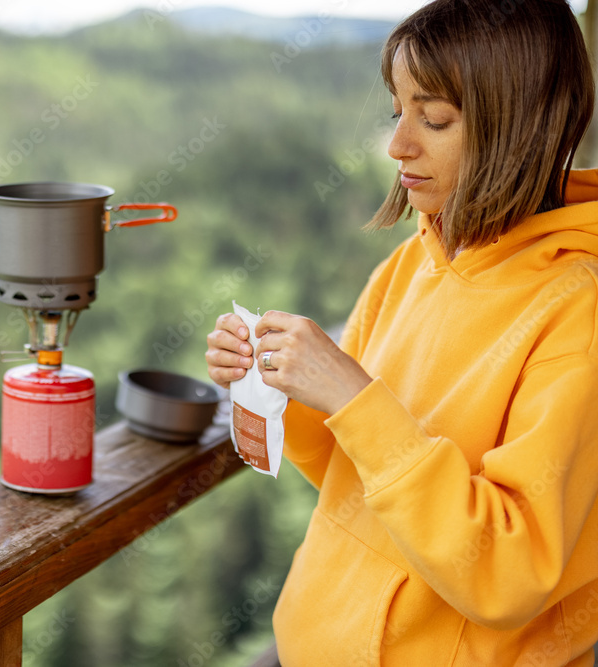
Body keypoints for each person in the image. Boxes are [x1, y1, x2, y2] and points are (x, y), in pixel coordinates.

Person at [205, 0, 598, 664]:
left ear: (522, 127)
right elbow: (353, 468)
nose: (398, 145)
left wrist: (355, 396)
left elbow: (508, 569)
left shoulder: (575, 310)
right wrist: (282, 382)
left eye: (434, 119)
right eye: (398, 111)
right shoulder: (410, 262)